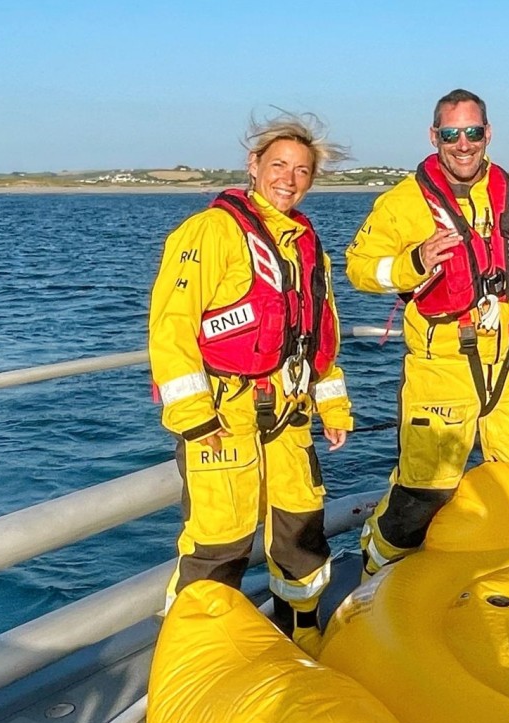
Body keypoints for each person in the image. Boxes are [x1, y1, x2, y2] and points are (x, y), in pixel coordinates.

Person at [148, 113, 353, 654]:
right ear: (254, 166)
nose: (288, 178)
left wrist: (335, 408)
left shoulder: (308, 245)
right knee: (219, 543)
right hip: (223, 419)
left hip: (290, 419)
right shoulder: (210, 232)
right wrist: (194, 417)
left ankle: (301, 632)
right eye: (278, 165)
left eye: (302, 171)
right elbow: (171, 327)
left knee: (301, 533)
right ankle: (195, 655)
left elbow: (317, 335)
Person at [346, 88, 509, 575]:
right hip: (443, 372)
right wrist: (413, 262)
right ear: (434, 135)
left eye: (473, 132)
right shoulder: (401, 203)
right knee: (423, 496)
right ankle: (373, 575)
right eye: (451, 134)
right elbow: (359, 269)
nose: (463, 144)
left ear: (488, 133)